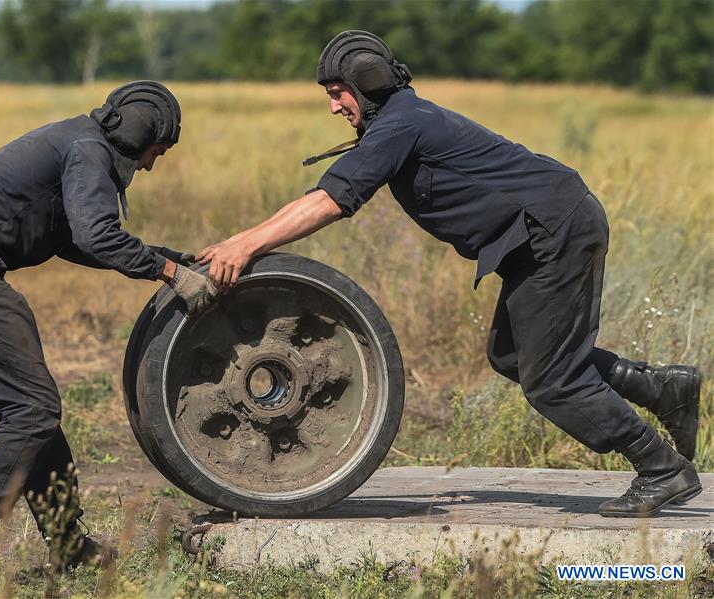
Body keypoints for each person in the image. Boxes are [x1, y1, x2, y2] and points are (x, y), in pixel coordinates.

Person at [198, 31, 702, 518]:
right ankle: (661, 389)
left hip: (554, 231)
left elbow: (330, 201)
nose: (333, 107)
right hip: (543, 232)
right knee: (512, 355)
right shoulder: (400, 118)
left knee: (550, 380)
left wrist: (245, 245)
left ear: (366, 83)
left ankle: (660, 467)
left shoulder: (400, 124)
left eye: (337, 93)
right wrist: (240, 241)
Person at [0, 81, 216, 585]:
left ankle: (66, 543)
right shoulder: (89, 149)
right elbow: (97, 235)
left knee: (33, 406)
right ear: (138, 135)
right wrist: (170, 275)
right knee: (33, 408)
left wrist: (172, 259)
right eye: (156, 153)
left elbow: (78, 239)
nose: (150, 166)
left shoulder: (79, 140)